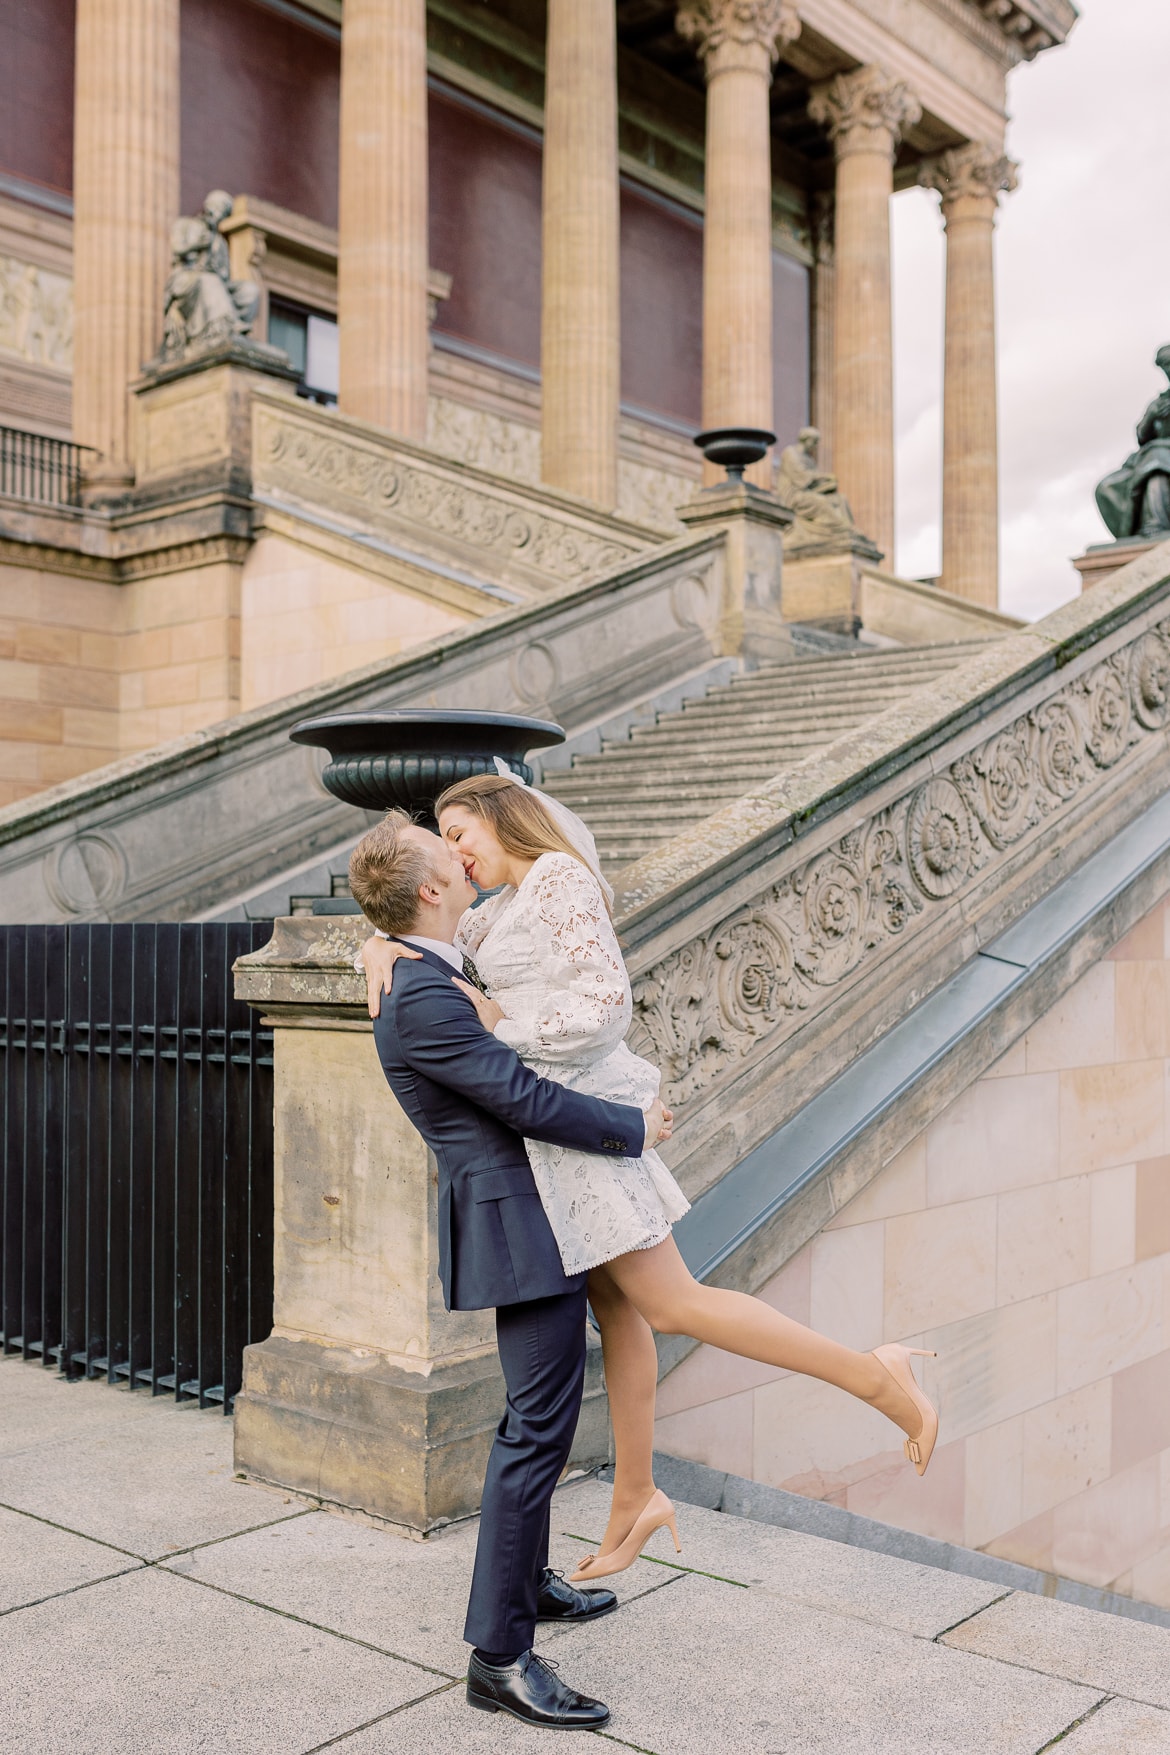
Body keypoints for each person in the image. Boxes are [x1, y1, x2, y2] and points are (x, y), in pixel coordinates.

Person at [357, 771, 939, 1589]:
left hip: (586, 1129)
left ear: (501, 816)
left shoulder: (560, 878)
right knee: (619, 1309)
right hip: (556, 1149)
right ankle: (636, 1493)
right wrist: (375, 942)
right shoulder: (488, 913)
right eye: (443, 845)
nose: (456, 854)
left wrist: (504, 1025)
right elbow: (430, 939)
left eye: (462, 834)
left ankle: (877, 1376)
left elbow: (606, 1006)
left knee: (670, 1301)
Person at [347, 809, 674, 1732]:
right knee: (538, 1427)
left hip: (527, 1214)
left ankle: (525, 1585)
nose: (458, 854)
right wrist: (634, 1127)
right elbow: (523, 1098)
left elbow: (407, 938)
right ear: (428, 891)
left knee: (532, 1417)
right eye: (439, 852)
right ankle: (499, 1656)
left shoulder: (422, 966)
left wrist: (376, 939)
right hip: (518, 1222)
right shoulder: (423, 995)